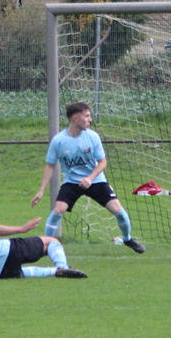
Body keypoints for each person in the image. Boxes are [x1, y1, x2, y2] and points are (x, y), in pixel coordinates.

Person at [31, 102, 145, 254]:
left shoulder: (92, 137)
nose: (90, 120)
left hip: (95, 180)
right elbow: (50, 166)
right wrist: (41, 191)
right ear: (75, 118)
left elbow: (102, 162)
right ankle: (46, 246)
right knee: (58, 210)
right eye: (87, 116)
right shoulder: (59, 141)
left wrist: (90, 178)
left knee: (118, 211)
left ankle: (128, 239)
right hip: (72, 182)